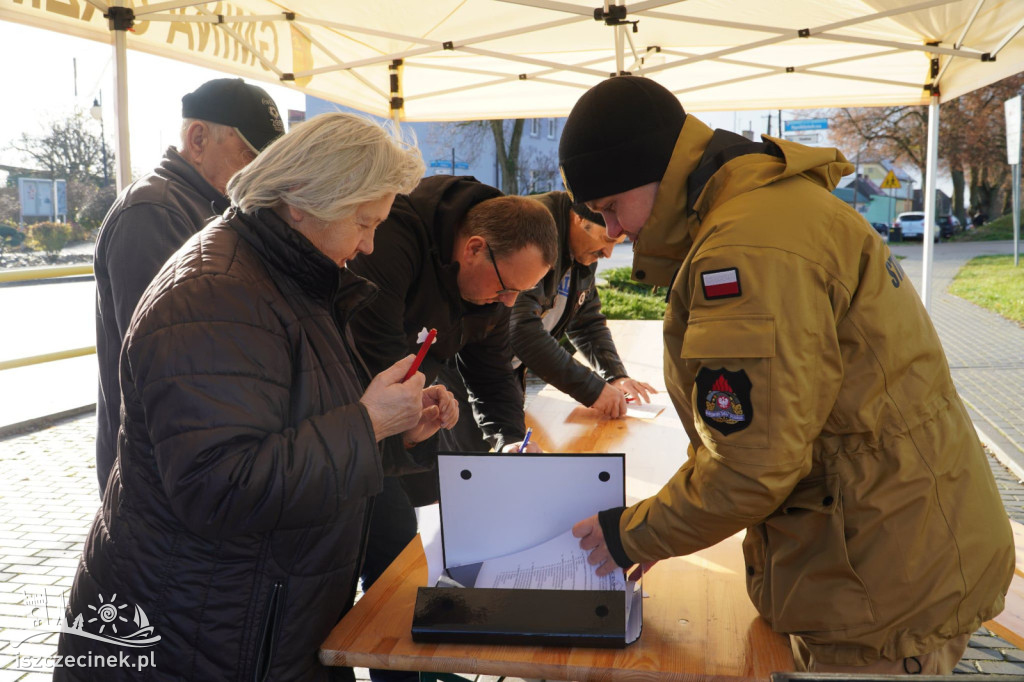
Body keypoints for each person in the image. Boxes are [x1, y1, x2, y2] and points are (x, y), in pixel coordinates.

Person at [562, 76, 1014, 674]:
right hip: (890, 542)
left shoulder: (746, 249)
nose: (612, 232)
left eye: (612, 207)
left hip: (877, 588)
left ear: (656, 172)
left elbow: (752, 469)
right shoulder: (766, 207)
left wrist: (632, 534)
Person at [56, 113, 454, 681]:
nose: (368, 245)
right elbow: (218, 485)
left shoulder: (285, 277)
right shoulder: (215, 295)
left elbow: (294, 428)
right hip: (194, 638)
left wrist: (393, 429)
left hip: (249, 625)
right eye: (364, 222)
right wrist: (367, 426)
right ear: (300, 201)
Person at [346, 175, 557, 682]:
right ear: (474, 248)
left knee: (413, 557)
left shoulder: (490, 285)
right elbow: (374, 351)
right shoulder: (394, 238)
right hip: (352, 414)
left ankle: (414, 664)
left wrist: (508, 438)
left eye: (522, 294)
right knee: (393, 557)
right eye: (507, 288)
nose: (509, 303)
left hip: (408, 410)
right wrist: (413, 417)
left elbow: (492, 367)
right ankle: (394, 666)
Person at [93, 77, 285, 496]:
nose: (262, 173)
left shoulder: (213, 206)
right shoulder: (153, 210)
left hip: (188, 453)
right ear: (198, 138)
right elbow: (169, 354)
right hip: (157, 468)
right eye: (251, 156)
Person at [510, 191, 656, 418]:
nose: (608, 253)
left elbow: (585, 322)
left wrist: (615, 376)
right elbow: (520, 328)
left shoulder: (582, 250)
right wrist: (593, 389)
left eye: (617, 244)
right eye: (607, 240)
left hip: (507, 372)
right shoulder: (532, 229)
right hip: (469, 372)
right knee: (476, 451)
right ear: (580, 218)